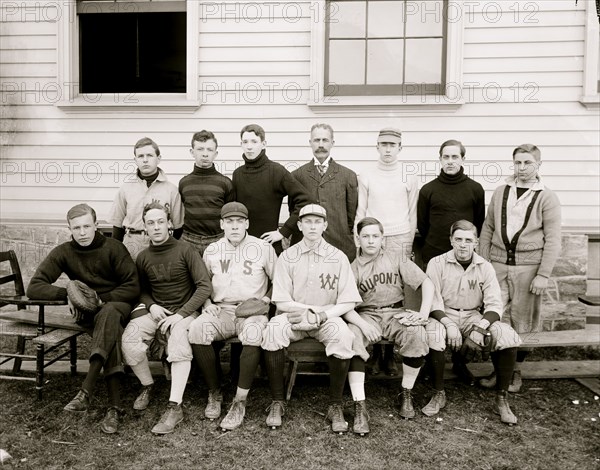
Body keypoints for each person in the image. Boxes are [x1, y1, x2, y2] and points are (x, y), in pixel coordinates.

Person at [27, 203, 139, 434]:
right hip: (88, 313)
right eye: (76, 228)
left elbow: (133, 286)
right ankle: (114, 408)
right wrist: (67, 293)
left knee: (108, 314)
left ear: (96, 225)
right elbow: (35, 287)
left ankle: (87, 389)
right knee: (109, 330)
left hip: (117, 305)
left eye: (87, 226)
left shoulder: (114, 248)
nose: (82, 232)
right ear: (69, 228)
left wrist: (101, 298)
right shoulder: (64, 252)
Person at [261, 204, 362, 433]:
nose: (313, 226)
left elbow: (347, 301)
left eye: (318, 221)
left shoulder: (338, 257)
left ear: (325, 225)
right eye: (308, 221)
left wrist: (323, 314)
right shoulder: (287, 256)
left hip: (326, 317)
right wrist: (308, 310)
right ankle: (278, 401)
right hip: (294, 315)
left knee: (343, 335)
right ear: (299, 225)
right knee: (273, 329)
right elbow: (280, 300)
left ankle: (335, 404)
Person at [121, 202, 212, 435]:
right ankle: (147, 386)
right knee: (130, 338)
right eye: (151, 223)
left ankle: (174, 406)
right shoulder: (143, 257)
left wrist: (181, 314)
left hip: (185, 311)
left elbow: (204, 287)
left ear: (170, 224)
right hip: (158, 311)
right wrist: (151, 306)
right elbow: (140, 290)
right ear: (145, 227)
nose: (156, 227)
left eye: (161, 221)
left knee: (179, 340)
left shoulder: (185, 251)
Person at [479, 144, 561, 392]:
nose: (522, 168)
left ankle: (514, 372)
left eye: (527, 163)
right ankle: (498, 370)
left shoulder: (547, 196)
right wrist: (485, 264)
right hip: (498, 265)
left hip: (529, 269)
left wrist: (543, 274)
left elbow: (553, 239)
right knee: (495, 317)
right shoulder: (501, 191)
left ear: (538, 165)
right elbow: (487, 229)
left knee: (522, 322)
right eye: (517, 162)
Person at [188, 202, 276, 431]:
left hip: (252, 310)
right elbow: (202, 282)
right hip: (222, 309)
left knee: (255, 333)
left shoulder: (263, 248)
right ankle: (215, 392)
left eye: (239, 221)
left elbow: (280, 282)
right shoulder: (213, 249)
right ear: (222, 224)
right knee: (198, 329)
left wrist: (266, 300)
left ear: (247, 223)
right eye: (229, 222)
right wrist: (206, 303)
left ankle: (239, 401)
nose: (234, 226)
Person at [344, 217, 436, 434]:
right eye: (365, 236)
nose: (371, 241)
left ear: (382, 239)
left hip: (396, 311)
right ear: (358, 239)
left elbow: (426, 282)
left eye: (375, 236)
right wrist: (363, 326)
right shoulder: (352, 267)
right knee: (351, 337)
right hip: (367, 314)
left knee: (416, 333)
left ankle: (405, 392)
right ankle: (360, 404)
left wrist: (423, 313)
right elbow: (345, 306)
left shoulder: (396, 258)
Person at [425, 220, 522, 425]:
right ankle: (438, 392)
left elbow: (495, 305)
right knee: (434, 335)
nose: (463, 245)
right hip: (443, 314)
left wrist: (479, 329)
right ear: (451, 240)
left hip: (472, 316)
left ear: (476, 242)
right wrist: (449, 325)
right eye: (458, 239)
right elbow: (432, 301)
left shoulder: (485, 267)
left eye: (468, 240)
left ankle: (501, 398)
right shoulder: (436, 263)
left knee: (507, 336)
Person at [355, 127, 418, 375]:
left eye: (393, 144)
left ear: (400, 147)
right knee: (372, 288)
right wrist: (359, 242)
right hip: (372, 235)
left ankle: (391, 353)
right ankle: (372, 349)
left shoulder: (408, 175)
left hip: (400, 235)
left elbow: (412, 213)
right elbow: (361, 210)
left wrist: (408, 243)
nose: (388, 149)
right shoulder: (367, 175)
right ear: (377, 147)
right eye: (384, 144)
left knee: (395, 289)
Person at [232, 124, 311, 255]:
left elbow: (306, 200)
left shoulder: (276, 171)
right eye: (245, 142)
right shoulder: (237, 174)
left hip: (269, 246)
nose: (249, 146)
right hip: (242, 246)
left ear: (263, 144)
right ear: (241, 144)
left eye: (254, 141)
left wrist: (283, 231)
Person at [289, 123, 358, 261]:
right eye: (317, 140)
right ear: (310, 143)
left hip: (338, 244)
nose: (321, 145)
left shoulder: (348, 175)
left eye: (325, 140)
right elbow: (294, 210)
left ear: (332, 143)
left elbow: (351, 215)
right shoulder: (297, 176)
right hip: (306, 246)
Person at [109, 137, 184, 260]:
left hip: (161, 245)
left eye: (149, 155)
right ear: (135, 160)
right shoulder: (126, 188)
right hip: (132, 243)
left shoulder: (171, 190)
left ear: (158, 159)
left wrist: (169, 248)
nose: (145, 160)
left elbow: (178, 227)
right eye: (140, 156)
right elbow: (117, 226)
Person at [417, 139, 485, 267]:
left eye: (455, 157)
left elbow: (478, 223)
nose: (450, 161)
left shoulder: (475, 189)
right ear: (440, 159)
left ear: (463, 159)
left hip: (464, 256)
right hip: (433, 256)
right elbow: (422, 225)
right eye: (446, 157)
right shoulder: (428, 190)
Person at [179, 130, 234, 255]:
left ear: (215, 154)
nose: (205, 154)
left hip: (218, 240)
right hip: (188, 240)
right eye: (200, 149)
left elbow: (229, 215)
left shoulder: (225, 183)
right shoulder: (184, 183)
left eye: (209, 150)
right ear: (192, 152)